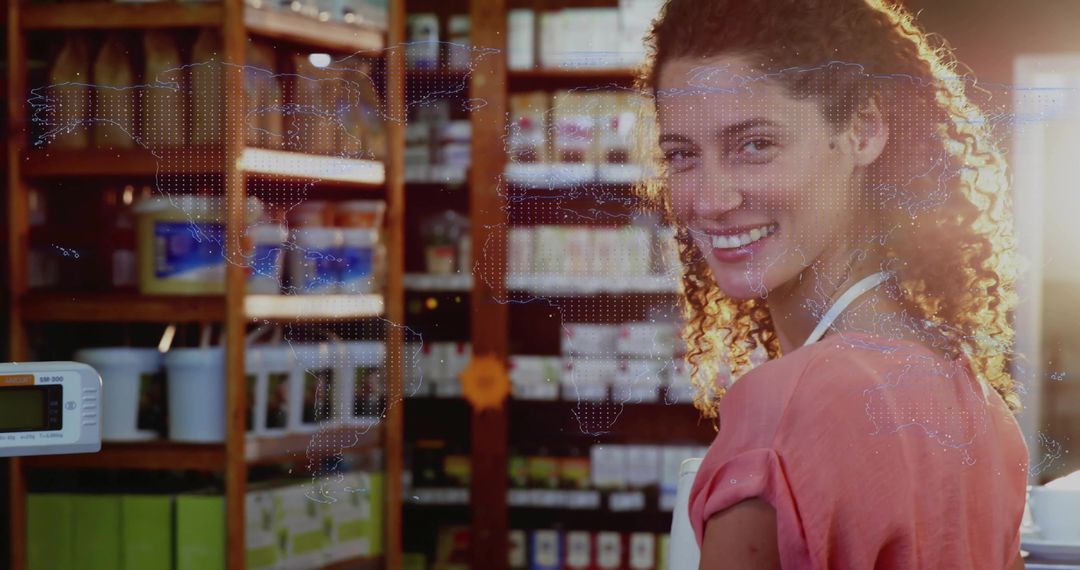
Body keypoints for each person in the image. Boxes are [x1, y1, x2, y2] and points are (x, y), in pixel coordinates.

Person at [638, 0, 1029, 567]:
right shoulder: (977, 400)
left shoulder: (784, 406)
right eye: (681, 154)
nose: (709, 201)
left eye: (754, 145)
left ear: (862, 129)